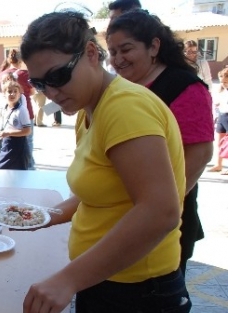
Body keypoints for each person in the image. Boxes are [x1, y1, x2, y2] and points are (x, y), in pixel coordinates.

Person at [20, 11, 190, 313]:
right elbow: (96, 195)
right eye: (40, 84)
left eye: (58, 76)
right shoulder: (88, 109)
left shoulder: (124, 107)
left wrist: (67, 280)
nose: (52, 92)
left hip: (138, 293)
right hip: (103, 279)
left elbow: (160, 211)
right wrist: (39, 216)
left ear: (90, 54)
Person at [107, 9, 214, 277]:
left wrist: (158, 209)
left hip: (163, 222)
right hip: (122, 216)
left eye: (126, 49)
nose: (118, 59)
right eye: (112, 51)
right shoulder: (123, 87)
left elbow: (199, 155)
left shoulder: (184, 86)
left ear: (154, 46)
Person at [0, 48, 36, 168]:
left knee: (9, 143)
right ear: (21, 60)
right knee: (27, 141)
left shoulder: (3, 73)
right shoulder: (25, 74)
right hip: (26, 112)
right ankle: (29, 166)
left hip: (8, 112)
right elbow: (32, 91)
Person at [0, 73, 32, 170]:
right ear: (4, 94)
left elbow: (27, 131)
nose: (12, 94)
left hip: (18, 146)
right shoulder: (5, 108)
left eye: (15, 91)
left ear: (19, 94)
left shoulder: (22, 110)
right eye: (9, 91)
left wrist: (8, 133)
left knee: (19, 176)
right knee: (1, 171)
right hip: (7, 144)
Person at [208, 66, 228, 174]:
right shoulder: (221, 89)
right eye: (221, 81)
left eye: (225, 82)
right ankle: (218, 164)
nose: (223, 84)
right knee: (219, 142)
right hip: (222, 115)